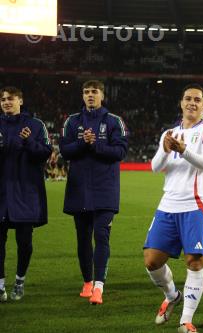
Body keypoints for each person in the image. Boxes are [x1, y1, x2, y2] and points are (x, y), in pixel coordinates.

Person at [143, 84, 203, 333]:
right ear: (181, 103)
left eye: (197, 99)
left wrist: (183, 150)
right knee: (152, 261)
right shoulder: (169, 133)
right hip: (168, 204)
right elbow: (155, 167)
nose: (192, 103)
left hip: (196, 205)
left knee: (194, 260)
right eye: (188, 98)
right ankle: (172, 295)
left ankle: (186, 320)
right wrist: (166, 150)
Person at [60, 80, 128, 305]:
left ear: (102, 95)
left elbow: (120, 151)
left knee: (101, 235)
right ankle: (87, 281)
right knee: (82, 239)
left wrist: (95, 145)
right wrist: (83, 144)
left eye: (94, 92)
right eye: (86, 92)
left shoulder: (113, 121)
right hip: (79, 189)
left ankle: (99, 286)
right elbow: (64, 150)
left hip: (105, 189)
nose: (90, 95)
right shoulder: (72, 121)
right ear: (82, 96)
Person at [0, 86, 52, 301]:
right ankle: (1, 285)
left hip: (26, 192)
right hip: (2, 193)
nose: (6, 102)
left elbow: (45, 153)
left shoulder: (35, 125)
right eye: (2, 99)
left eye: (10, 98)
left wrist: (29, 142)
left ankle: (19, 280)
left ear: (20, 101)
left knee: (24, 242)